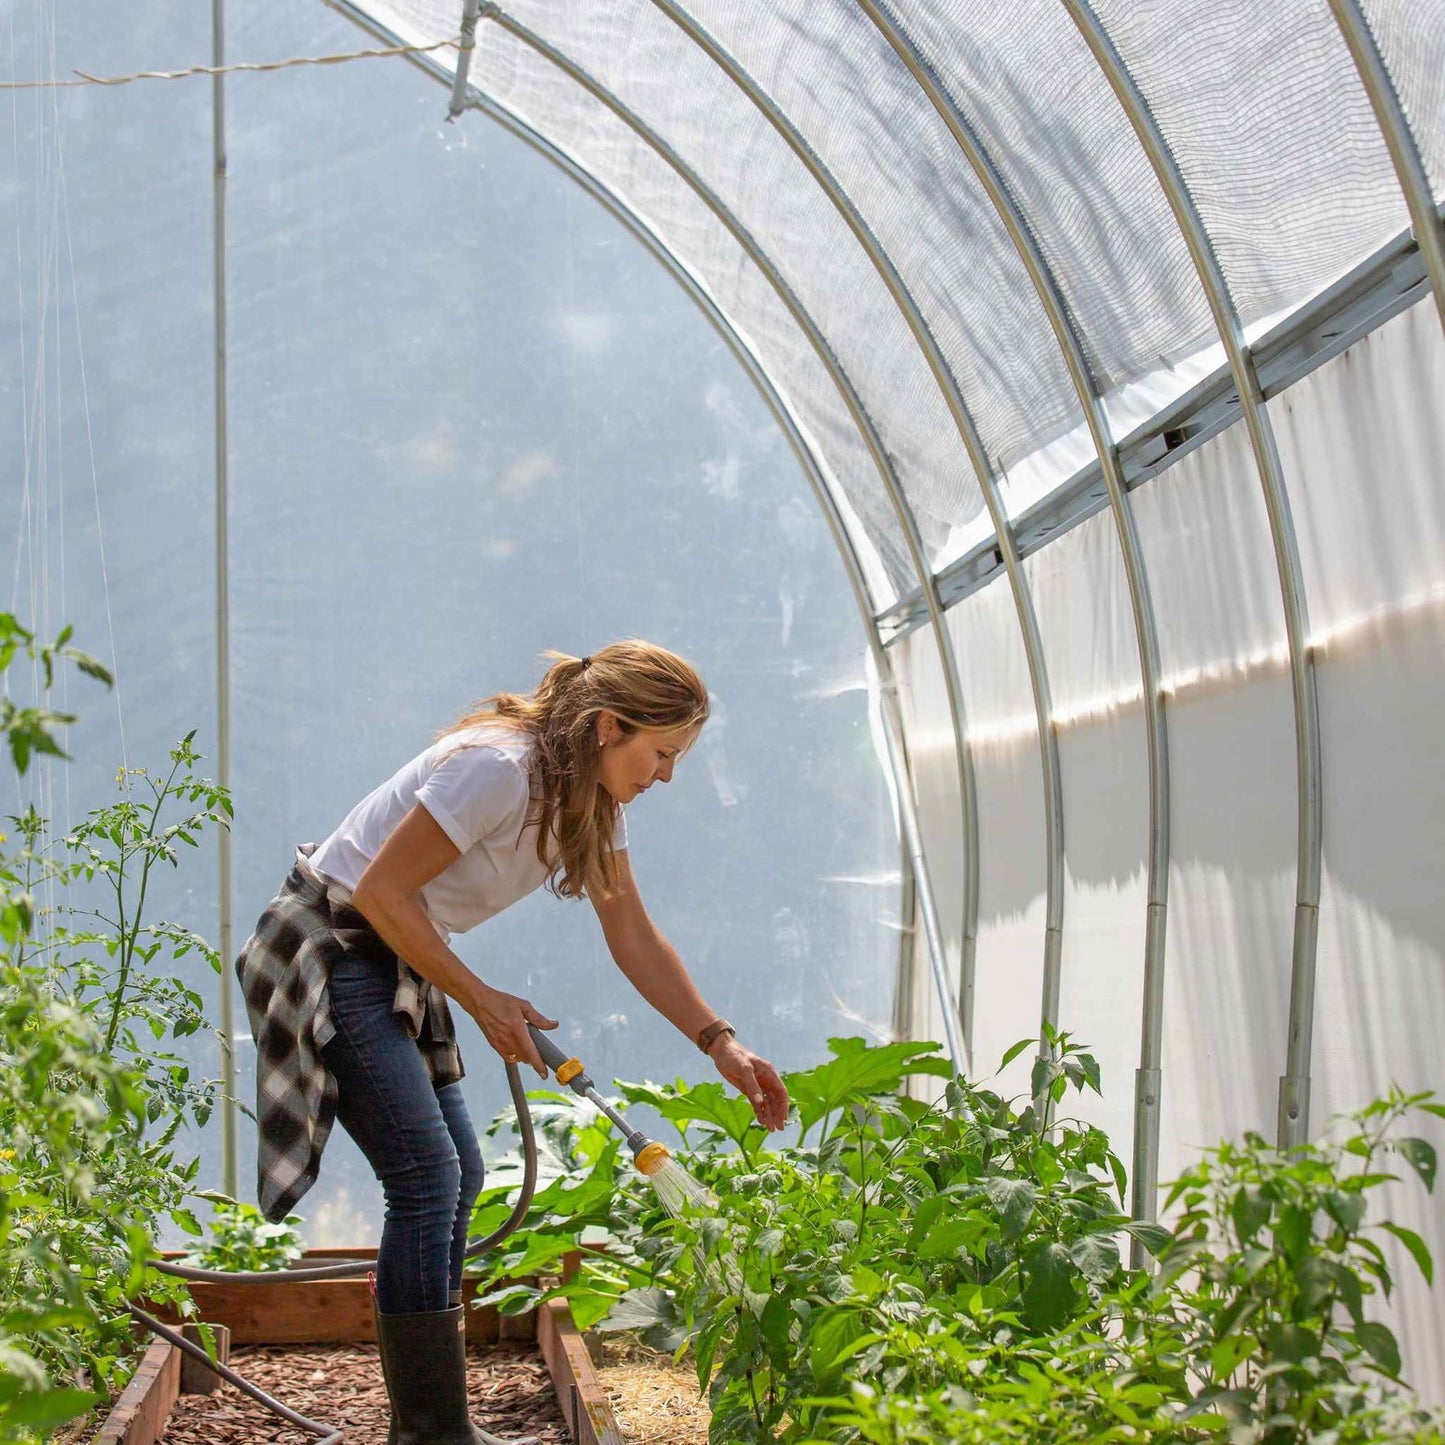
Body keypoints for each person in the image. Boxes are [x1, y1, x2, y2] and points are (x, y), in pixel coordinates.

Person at [235, 640, 789, 1445]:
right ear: (608, 727)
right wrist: (483, 999)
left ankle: (432, 1424)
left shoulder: (591, 799)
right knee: (426, 1175)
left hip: (393, 950)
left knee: (454, 1179)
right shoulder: (495, 767)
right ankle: (430, 1432)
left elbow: (631, 933)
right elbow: (382, 890)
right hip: (332, 945)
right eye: (662, 753)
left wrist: (720, 1042)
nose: (666, 774)